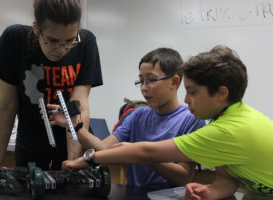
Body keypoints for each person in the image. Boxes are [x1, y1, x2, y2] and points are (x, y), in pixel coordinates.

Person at [61, 45, 273, 199]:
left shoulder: (227, 131)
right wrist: (209, 192)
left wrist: (86, 159)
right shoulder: (228, 119)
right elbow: (228, 178)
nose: (186, 99)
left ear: (221, 93)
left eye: (192, 92)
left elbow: (147, 152)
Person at [48, 47, 205, 188]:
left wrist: (143, 155)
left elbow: (184, 177)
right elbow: (103, 149)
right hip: (133, 194)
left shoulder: (191, 120)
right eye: (141, 81)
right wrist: (73, 125)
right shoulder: (137, 115)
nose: (144, 88)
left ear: (174, 82)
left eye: (150, 80)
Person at [0, 0, 103, 170]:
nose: (61, 49)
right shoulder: (15, 40)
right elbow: (6, 106)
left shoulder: (85, 42)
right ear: (36, 28)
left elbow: (79, 106)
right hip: (30, 148)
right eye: (53, 40)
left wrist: (72, 163)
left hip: (72, 145)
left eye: (69, 40)